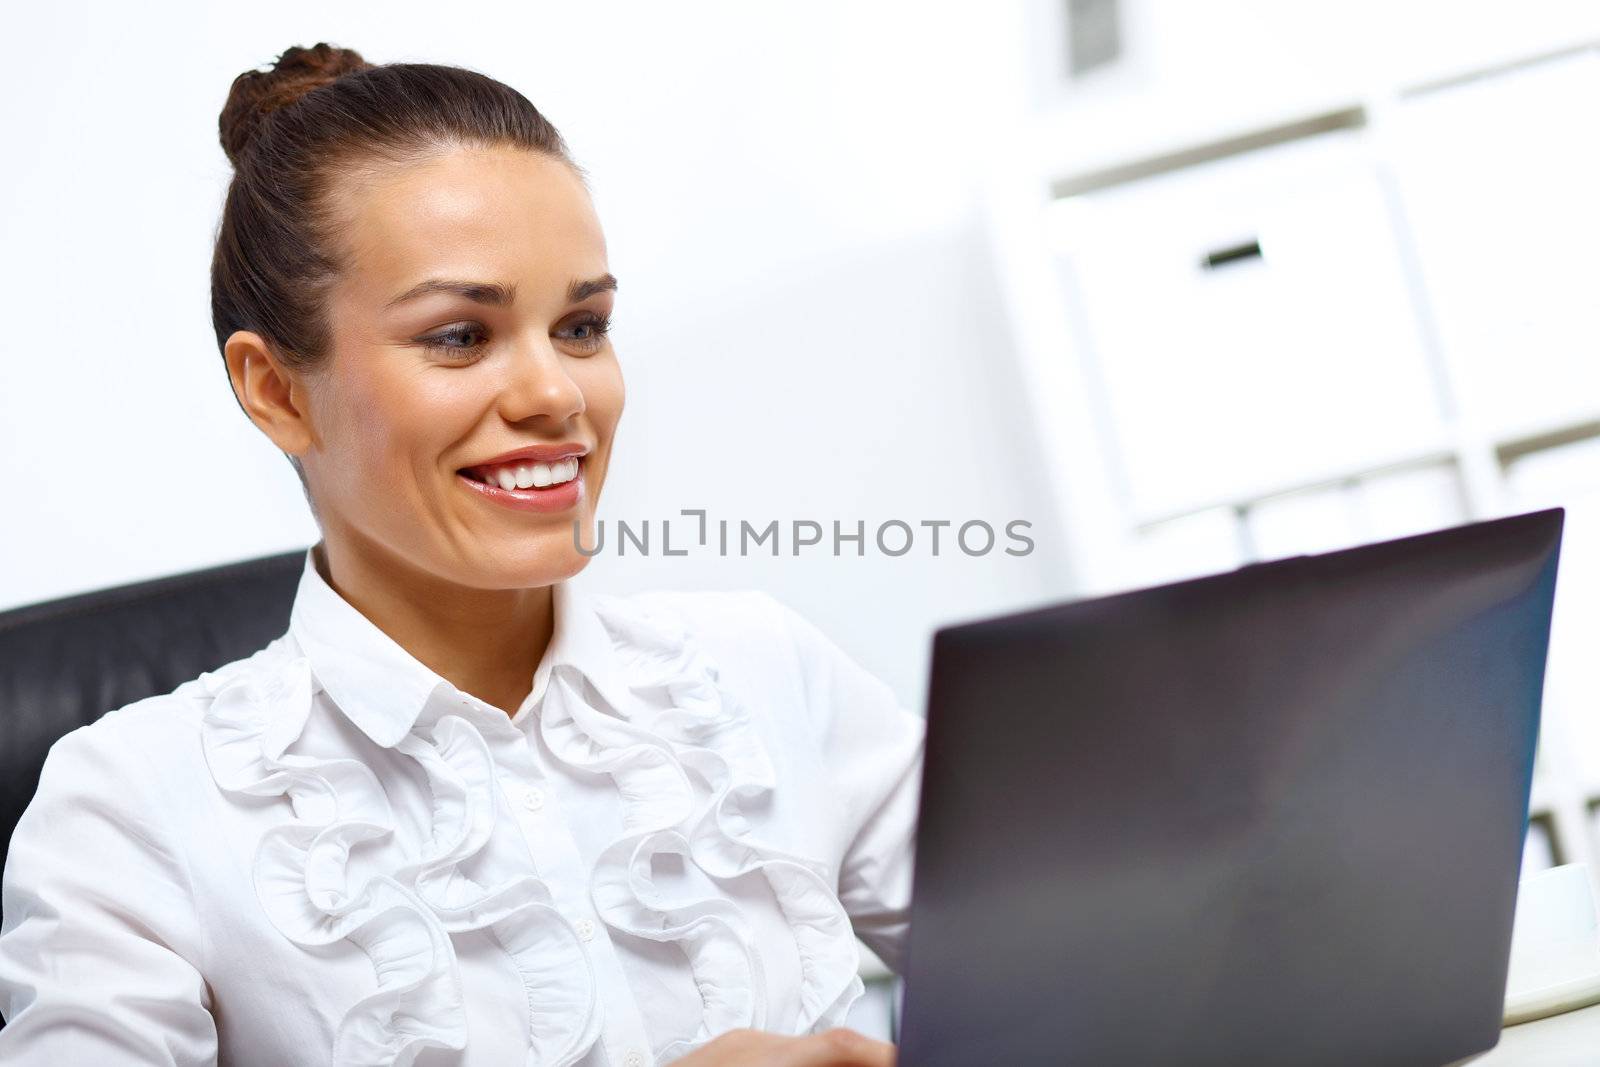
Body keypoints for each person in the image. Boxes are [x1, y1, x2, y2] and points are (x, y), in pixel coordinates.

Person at [0, 43, 923, 1067]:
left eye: (581, 325)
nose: (557, 393)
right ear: (275, 390)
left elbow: (1078, 943)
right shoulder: (132, 806)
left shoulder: (760, 669)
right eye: (458, 336)